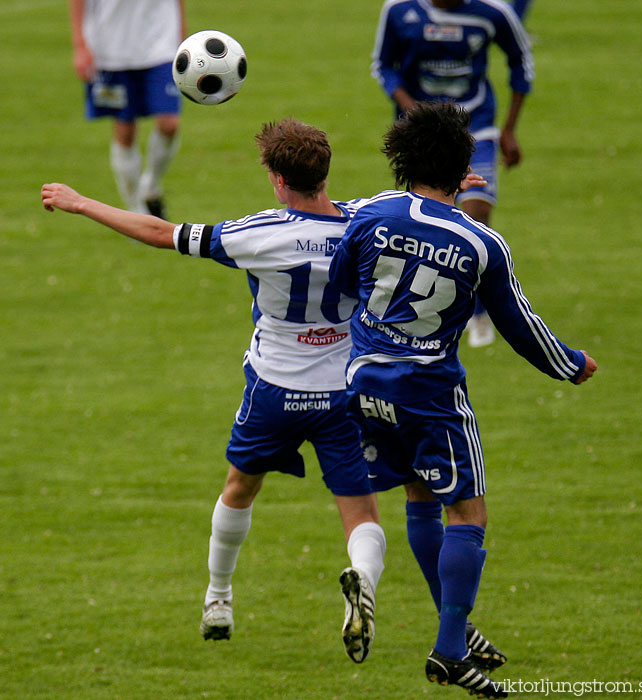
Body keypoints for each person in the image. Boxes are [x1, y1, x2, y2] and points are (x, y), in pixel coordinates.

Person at [41, 118, 387, 665]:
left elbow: (162, 233)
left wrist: (83, 202)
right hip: (341, 392)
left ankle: (218, 598)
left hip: (274, 390)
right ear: (325, 172)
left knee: (239, 487)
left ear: (277, 179)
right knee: (360, 510)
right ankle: (363, 578)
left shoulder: (256, 233)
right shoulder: (366, 223)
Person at [328, 101, 597, 698]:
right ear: (463, 168)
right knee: (468, 513)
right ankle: (449, 648)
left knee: (420, 495)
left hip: (364, 386)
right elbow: (517, 324)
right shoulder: (482, 242)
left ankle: (459, 627)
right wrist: (570, 365)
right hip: (431, 395)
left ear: (402, 160)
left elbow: (346, 280)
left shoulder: (371, 212)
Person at [371, 0, 534, 348]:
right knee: (422, 219)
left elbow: (521, 61)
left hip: (477, 125)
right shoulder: (399, 11)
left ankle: (475, 310)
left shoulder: (494, 13)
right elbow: (383, 65)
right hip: (421, 133)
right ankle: (423, 303)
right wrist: (411, 109)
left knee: (475, 214)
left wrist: (509, 129)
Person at [69, 0, 186, 217]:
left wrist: (183, 36)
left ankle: (150, 184)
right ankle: (135, 209)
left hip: (161, 44)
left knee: (169, 123)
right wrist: (80, 44)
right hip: (111, 49)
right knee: (125, 129)